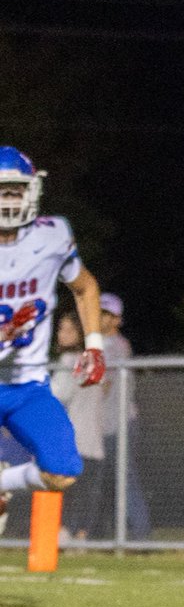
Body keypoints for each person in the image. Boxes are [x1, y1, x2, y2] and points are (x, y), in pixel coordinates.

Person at [0, 147, 106, 536]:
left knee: (62, 472)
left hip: (28, 386)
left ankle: (2, 484)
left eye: (15, 191)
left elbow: (84, 286)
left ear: (32, 191)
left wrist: (94, 345)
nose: (8, 201)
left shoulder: (52, 236)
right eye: (1, 191)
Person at [91, 292, 151, 540]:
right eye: (100, 312)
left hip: (121, 424)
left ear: (116, 319)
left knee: (126, 481)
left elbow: (101, 386)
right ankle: (101, 535)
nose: (101, 318)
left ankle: (141, 536)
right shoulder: (97, 345)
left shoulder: (117, 345)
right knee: (101, 482)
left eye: (107, 314)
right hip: (103, 426)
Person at [49, 311, 106, 540]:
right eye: (61, 329)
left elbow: (57, 395)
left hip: (73, 438)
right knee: (87, 494)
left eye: (69, 330)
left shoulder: (68, 361)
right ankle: (82, 537)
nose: (62, 335)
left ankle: (64, 535)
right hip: (94, 439)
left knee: (68, 492)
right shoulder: (94, 360)